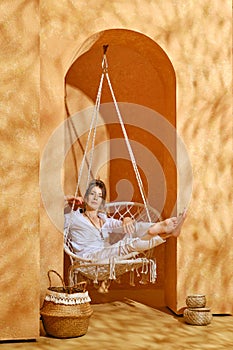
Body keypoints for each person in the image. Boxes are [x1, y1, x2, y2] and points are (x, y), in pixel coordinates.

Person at [64, 179, 186, 292]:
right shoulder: (73, 218)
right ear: (85, 197)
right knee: (124, 246)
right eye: (92, 194)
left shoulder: (104, 219)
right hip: (88, 260)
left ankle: (165, 231)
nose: (96, 198)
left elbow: (126, 226)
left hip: (106, 256)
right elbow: (49, 208)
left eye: (100, 196)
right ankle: (162, 232)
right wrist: (67, 198)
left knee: (132, 231)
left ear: (102, 201)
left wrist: (127, 219)